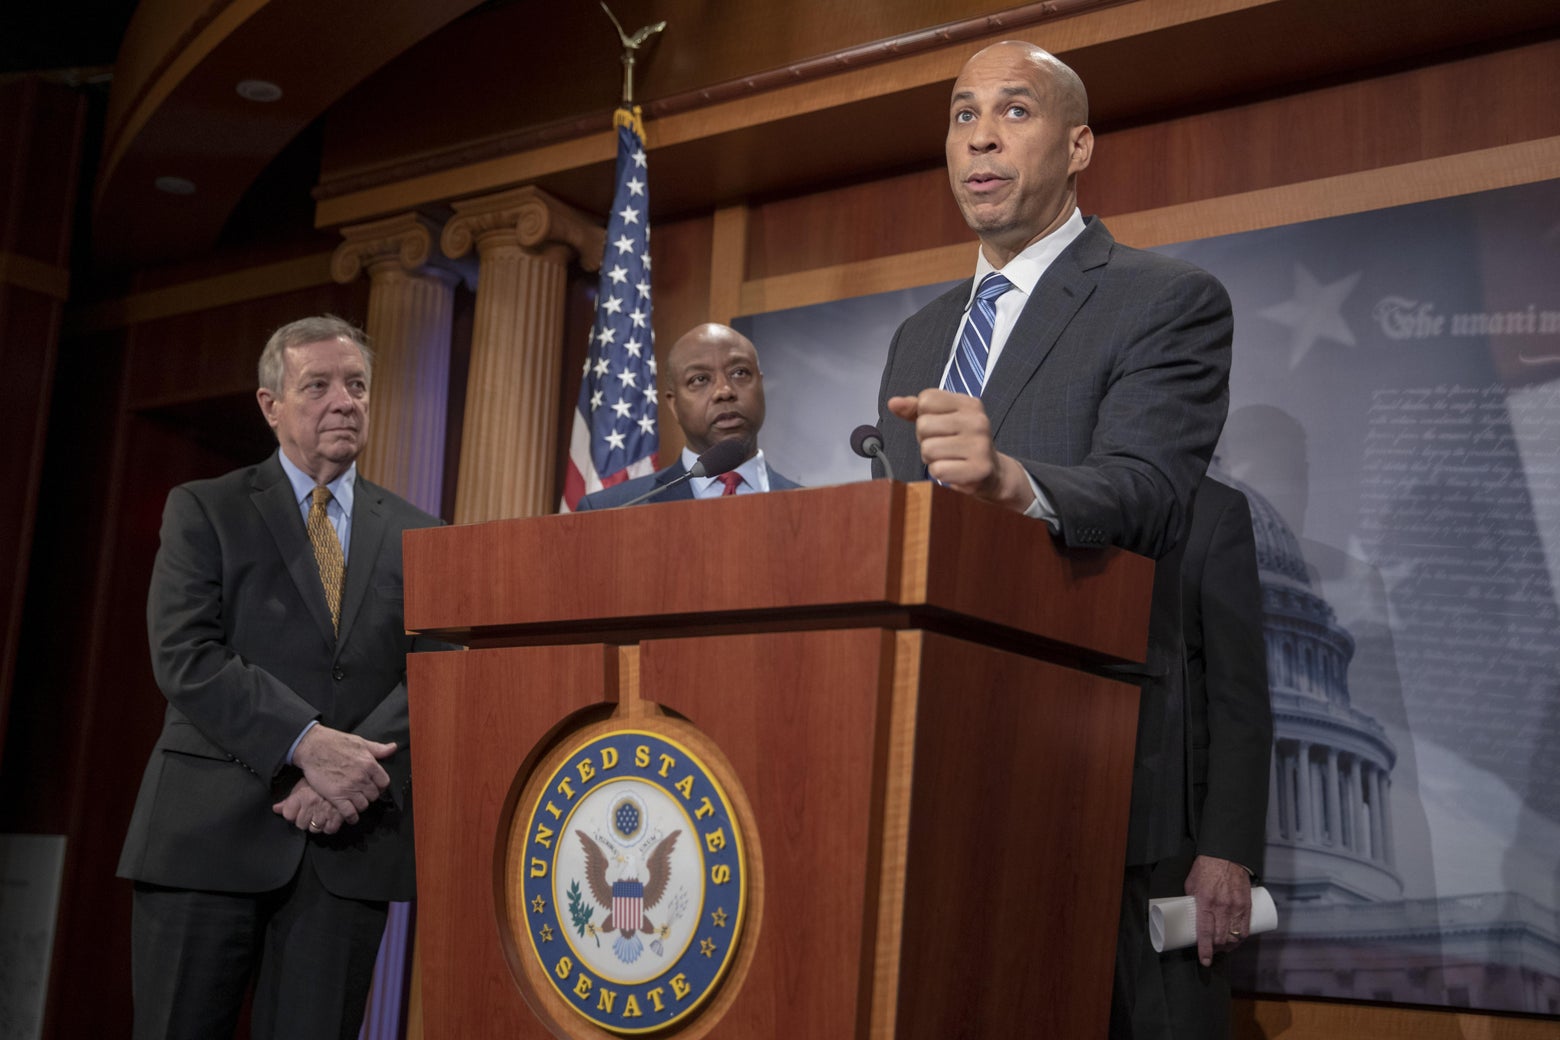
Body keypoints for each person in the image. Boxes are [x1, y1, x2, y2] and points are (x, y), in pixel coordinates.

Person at [874, 41, 1234, 1037]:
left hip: (1100, 783)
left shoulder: (1165, 298)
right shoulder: (919, 336)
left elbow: (1154, 490)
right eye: (961, 114)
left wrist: (1012, 481)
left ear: (1079, 145)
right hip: (941, 780)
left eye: (1014, 111)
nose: (980, 134)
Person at [117, 315, 444, 1039]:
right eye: (318, 385)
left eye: (356, 385)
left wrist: (351, 771)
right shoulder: (205, 507)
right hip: (205, 839)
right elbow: (185, 654)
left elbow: (441, 662)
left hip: (348, 844)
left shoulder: (424, 533)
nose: (344, 401)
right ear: (271, 405)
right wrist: (304, 743)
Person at [1137, 475, 1272, 1038]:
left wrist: (1225, 852)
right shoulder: (1030, 496)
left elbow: (1239, 701)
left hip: (1169, 858)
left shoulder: (1214, 511)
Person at [576, 322, 801, 509]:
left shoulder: (818, 507)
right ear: (673, 404)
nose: (725, 391)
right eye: (700, 379)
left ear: (760, 385)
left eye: (739, 372)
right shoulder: (611, 509)